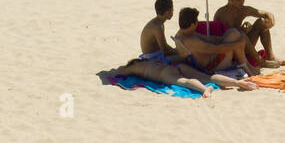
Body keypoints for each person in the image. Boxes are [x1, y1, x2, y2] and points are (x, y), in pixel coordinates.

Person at [174, 8, 260, 77]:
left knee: (233, 33)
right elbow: (217, 49)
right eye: (196, 21)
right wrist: (237, 44)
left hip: (212, 58)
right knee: (235, 37)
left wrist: (224, 38)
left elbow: (208, 39)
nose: (197, 23)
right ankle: (246, 66)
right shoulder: (190, 41)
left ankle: (245, 64)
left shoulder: (183, 33)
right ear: (192, 24)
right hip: (212, 66)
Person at [214, 0, 283, 67]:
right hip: (230, 50)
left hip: (244, 45)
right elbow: (219, 38)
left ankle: (271, 57)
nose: (242, 2)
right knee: (242, 35)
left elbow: (263, 13)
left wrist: (271, 19)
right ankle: (261, 62)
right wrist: (241, 31)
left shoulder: (243, 10)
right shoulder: (221, 14)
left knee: (261, 22)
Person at [108, 58, 256, 96]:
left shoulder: (135, 67)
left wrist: (124, 69)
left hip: (164, 74)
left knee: (184, 82)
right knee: (208, 76)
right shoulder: (149, 62)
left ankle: (205, 89)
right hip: (175, 66)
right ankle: (238, 83)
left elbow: (120, 72)